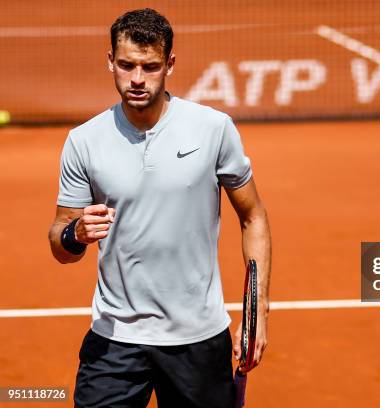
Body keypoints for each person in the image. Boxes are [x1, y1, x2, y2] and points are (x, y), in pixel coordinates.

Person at [47, 8, 271, 408]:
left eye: (149, 67)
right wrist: (75, 234)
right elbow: (59, 244)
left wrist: (259, 312)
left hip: (198, 339)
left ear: (169, 64)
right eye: (126, 64)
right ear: (110, 61)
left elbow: (252, 216)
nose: (136, 79)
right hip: (115, 340)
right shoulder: (84, 141)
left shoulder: (213, 128)